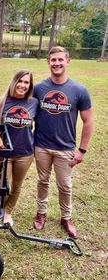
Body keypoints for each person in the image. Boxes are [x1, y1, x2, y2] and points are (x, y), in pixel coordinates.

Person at [33, 46, 94, 239]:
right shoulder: (39, 89)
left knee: (65, 186)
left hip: (65, 148)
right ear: (48, 62)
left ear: (68, 61)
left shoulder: (79, 90)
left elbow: (88, 121)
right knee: (42, 181)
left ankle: (66, 218)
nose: (57, 63)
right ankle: (41, 213)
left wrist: (82, 150)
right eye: (53, 60)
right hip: (41, 145)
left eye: (61, 60)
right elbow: (25, 110)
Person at [0, 70, 39, 226]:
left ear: (30, 85)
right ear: (14, 82)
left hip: (25, 152)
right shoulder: (1, 102)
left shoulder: (34, 103)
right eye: (20, 81)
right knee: (3, 185)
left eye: (26, 82)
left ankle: (8, 212)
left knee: (16, 185)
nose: (22, 85)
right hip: (5, 152)